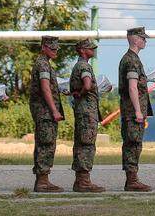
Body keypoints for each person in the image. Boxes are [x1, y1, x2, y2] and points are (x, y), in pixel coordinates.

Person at [119, 26, 153, 192]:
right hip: (132, 112)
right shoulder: (132, 60)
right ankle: (132, 180)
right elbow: (132, 87)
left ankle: (132, 179)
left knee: (134, 144)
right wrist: (138, 111)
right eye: (142, 38)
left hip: (131, 111)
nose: (144, 40)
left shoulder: (131, 59)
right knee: (133, 144)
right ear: (134, 39)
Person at [30, 35, 64, 192]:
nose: (55, 50)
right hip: (45, 112)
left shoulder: (45, 64)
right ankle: (42, 181)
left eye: (57, 48)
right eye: (52, 48)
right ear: (43, 47)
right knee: (46, 144)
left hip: (44, 111)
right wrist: (54, 110)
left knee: (46, 143)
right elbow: (45, 88)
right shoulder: (43, 65)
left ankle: (43, 179)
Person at [70, 38, 104, 193]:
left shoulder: (78, 65)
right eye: (90, 48)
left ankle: (80, 180)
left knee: (81, 143)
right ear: (83, 50)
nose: (93, 50)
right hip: (87, 112)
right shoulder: (84, 66)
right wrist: (82, 93)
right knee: (87, 144)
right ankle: (84, 181)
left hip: (82, 111)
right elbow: (88, 84)